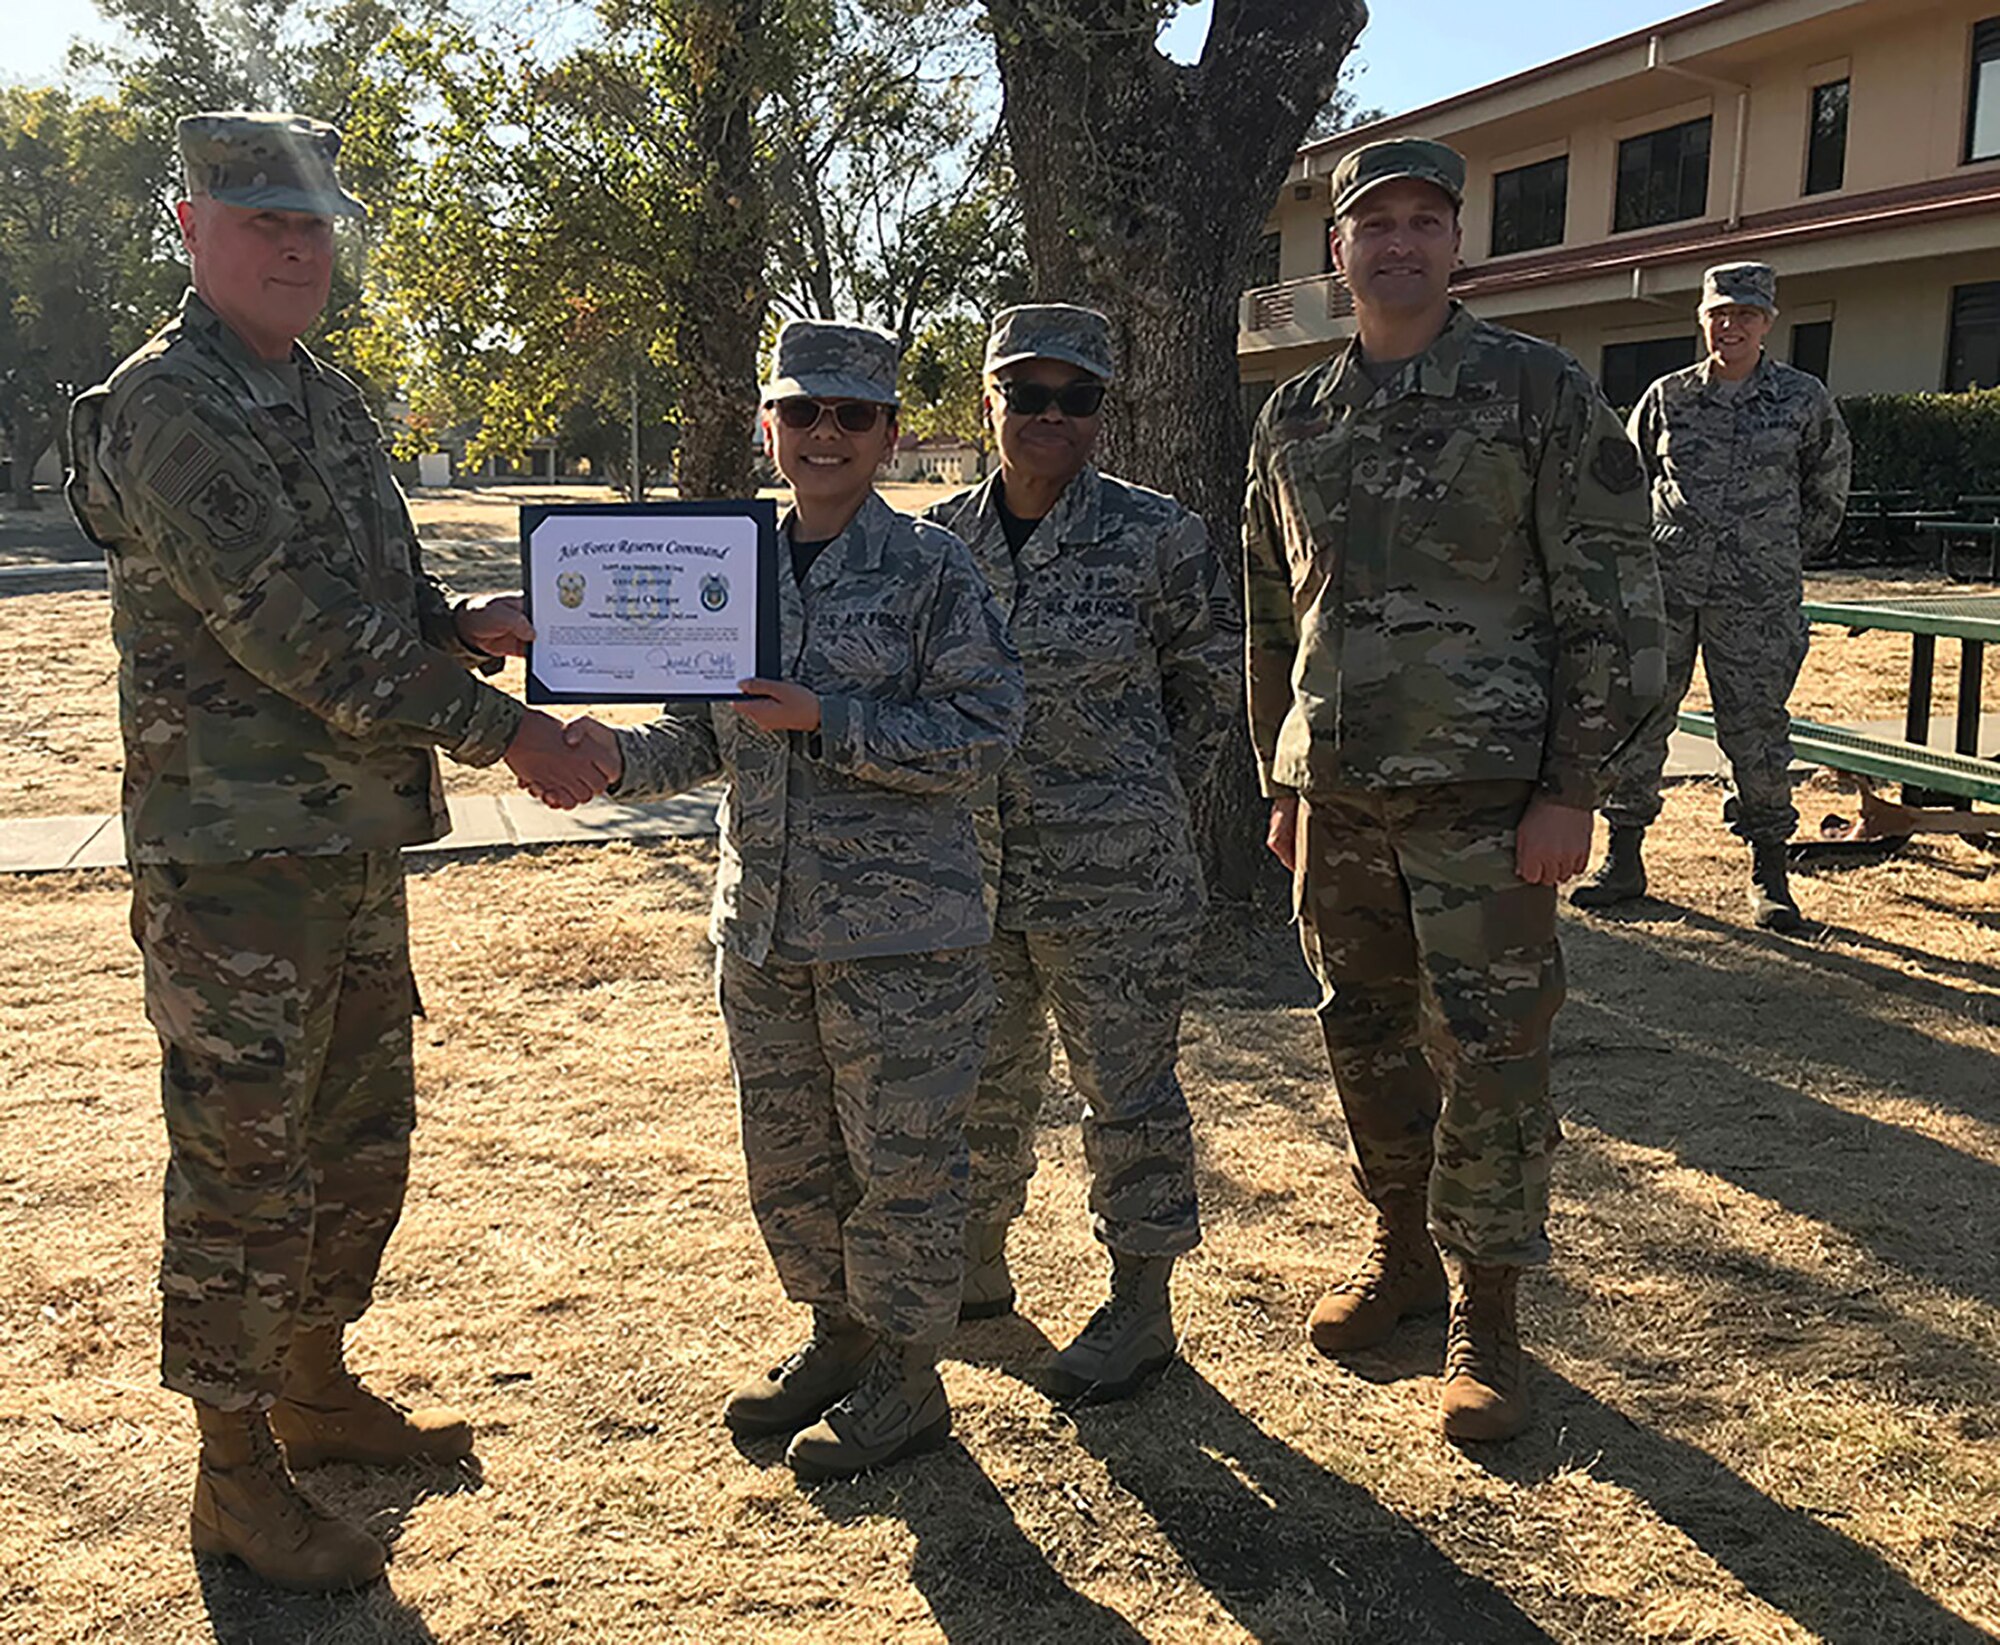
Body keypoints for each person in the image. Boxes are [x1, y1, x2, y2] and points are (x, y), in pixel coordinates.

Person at [63, 111, 615, 1590]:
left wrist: (461, 626)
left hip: (348, 844)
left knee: (359, 1139)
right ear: (191, 228)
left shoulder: (321, 397)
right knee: (246, 1164)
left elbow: (366, 596)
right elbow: (292, 631)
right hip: (237, 867)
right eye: (262, 220)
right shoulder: (165, 406)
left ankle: (312, 1386)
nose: (297, 245)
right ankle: (234, 1477)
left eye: (312, 221)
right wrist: (512, 734)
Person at [1241, 138, 1664, 1442]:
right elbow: (1269, 615)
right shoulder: (1294, 418)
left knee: (1492, 1056)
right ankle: (1403, 1256)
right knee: (1360, 1034)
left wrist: (1573, 787)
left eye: (1428, 221)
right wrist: (1281, 779)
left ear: (1458, 244)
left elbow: (1617, 606)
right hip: (1339, 800)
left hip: (1491, 802)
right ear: (1338, 253)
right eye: (1377, 225)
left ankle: (1490, 1314)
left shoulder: (1539, 394)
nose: (1401, 244)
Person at [556, 321, 1024, 1480]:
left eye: (851, 416)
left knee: (904, 1168)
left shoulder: (931, 570)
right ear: (768, 427)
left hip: (899, 938)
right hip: (761, 928)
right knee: (792, 1158)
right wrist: (609, 758)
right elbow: (695, 729)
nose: (824, 434)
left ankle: (908, 1384)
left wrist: (835, 723)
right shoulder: (724, 565)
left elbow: (984, 733)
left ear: (889, 435)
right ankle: (836, 1336)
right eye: (802, 412)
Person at [923, 304, 1239, 1402]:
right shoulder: (936, 542)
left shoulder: (1160, 535)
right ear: (986, 401)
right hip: (967, 873)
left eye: (1077, 397)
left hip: (1116, 881)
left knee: (1128, 1096)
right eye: (1026, 393)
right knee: (978, 1085)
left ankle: (1139, 1308)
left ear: (1105, 410)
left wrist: (1130, 802)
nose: (1049, 416)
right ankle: (973, 1273)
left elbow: (1207, 695)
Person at [1571, 262, 1852, 932]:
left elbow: (1828, 488)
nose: (1731, 326)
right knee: (1639, 719)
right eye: (1720, 314)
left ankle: (1769, 873)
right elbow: (1624, 480)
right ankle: (1624, 858)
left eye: (1745, 315)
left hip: (1757, 600)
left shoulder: (1802, 400)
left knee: (1755, 731)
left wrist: (1775, 551)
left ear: (1767, 322)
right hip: (1664, 591)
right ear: (1703, 320)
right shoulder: (1668, 398)